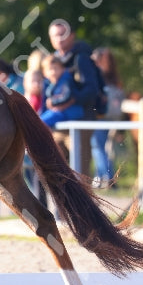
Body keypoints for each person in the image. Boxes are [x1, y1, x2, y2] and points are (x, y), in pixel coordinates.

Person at [48, 19, 102, 175]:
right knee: (54, 169)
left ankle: (85, 200)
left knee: (81, 173)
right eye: (54, 36)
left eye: (62, 34)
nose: (58, 39)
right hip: (59, 123)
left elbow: (92, 90)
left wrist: (71, 100)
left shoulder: (82, 58)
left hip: (81, 122)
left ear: (72, 36)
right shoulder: (54, 60)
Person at [90, 47, 125, 187]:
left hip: (101, 116)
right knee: (104, 147)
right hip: (112, 116)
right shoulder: (113, 78)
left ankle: (108, 177)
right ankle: (103, 176)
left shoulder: (99, 77)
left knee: (98, 146)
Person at [39, 53, 85, 129]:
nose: (53, 72)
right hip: (60, 112)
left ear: (62, 69)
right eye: (50, 69)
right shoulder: (51, 84)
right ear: (44, 73)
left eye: (56, 68)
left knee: (41, 122)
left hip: (70, 112)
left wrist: (53, 102)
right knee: (40, 120)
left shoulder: (66, 81)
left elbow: (67, 96)